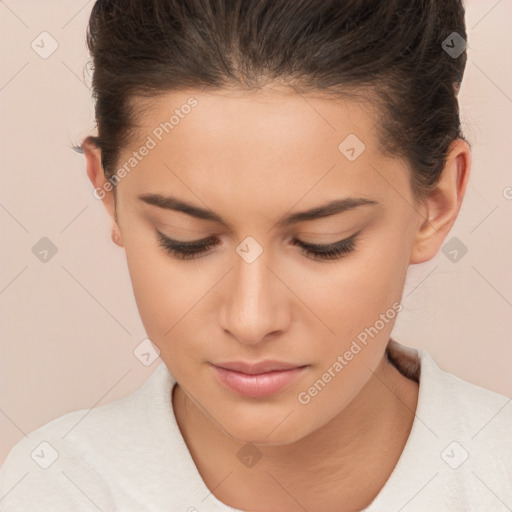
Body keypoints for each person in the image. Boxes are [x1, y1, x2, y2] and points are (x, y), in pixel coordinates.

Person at [1, 1, 511, 511]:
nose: (251, 320)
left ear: (435, 203)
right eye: (186, 239)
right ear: (108, 192)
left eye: (324, 242)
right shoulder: (52, 490)